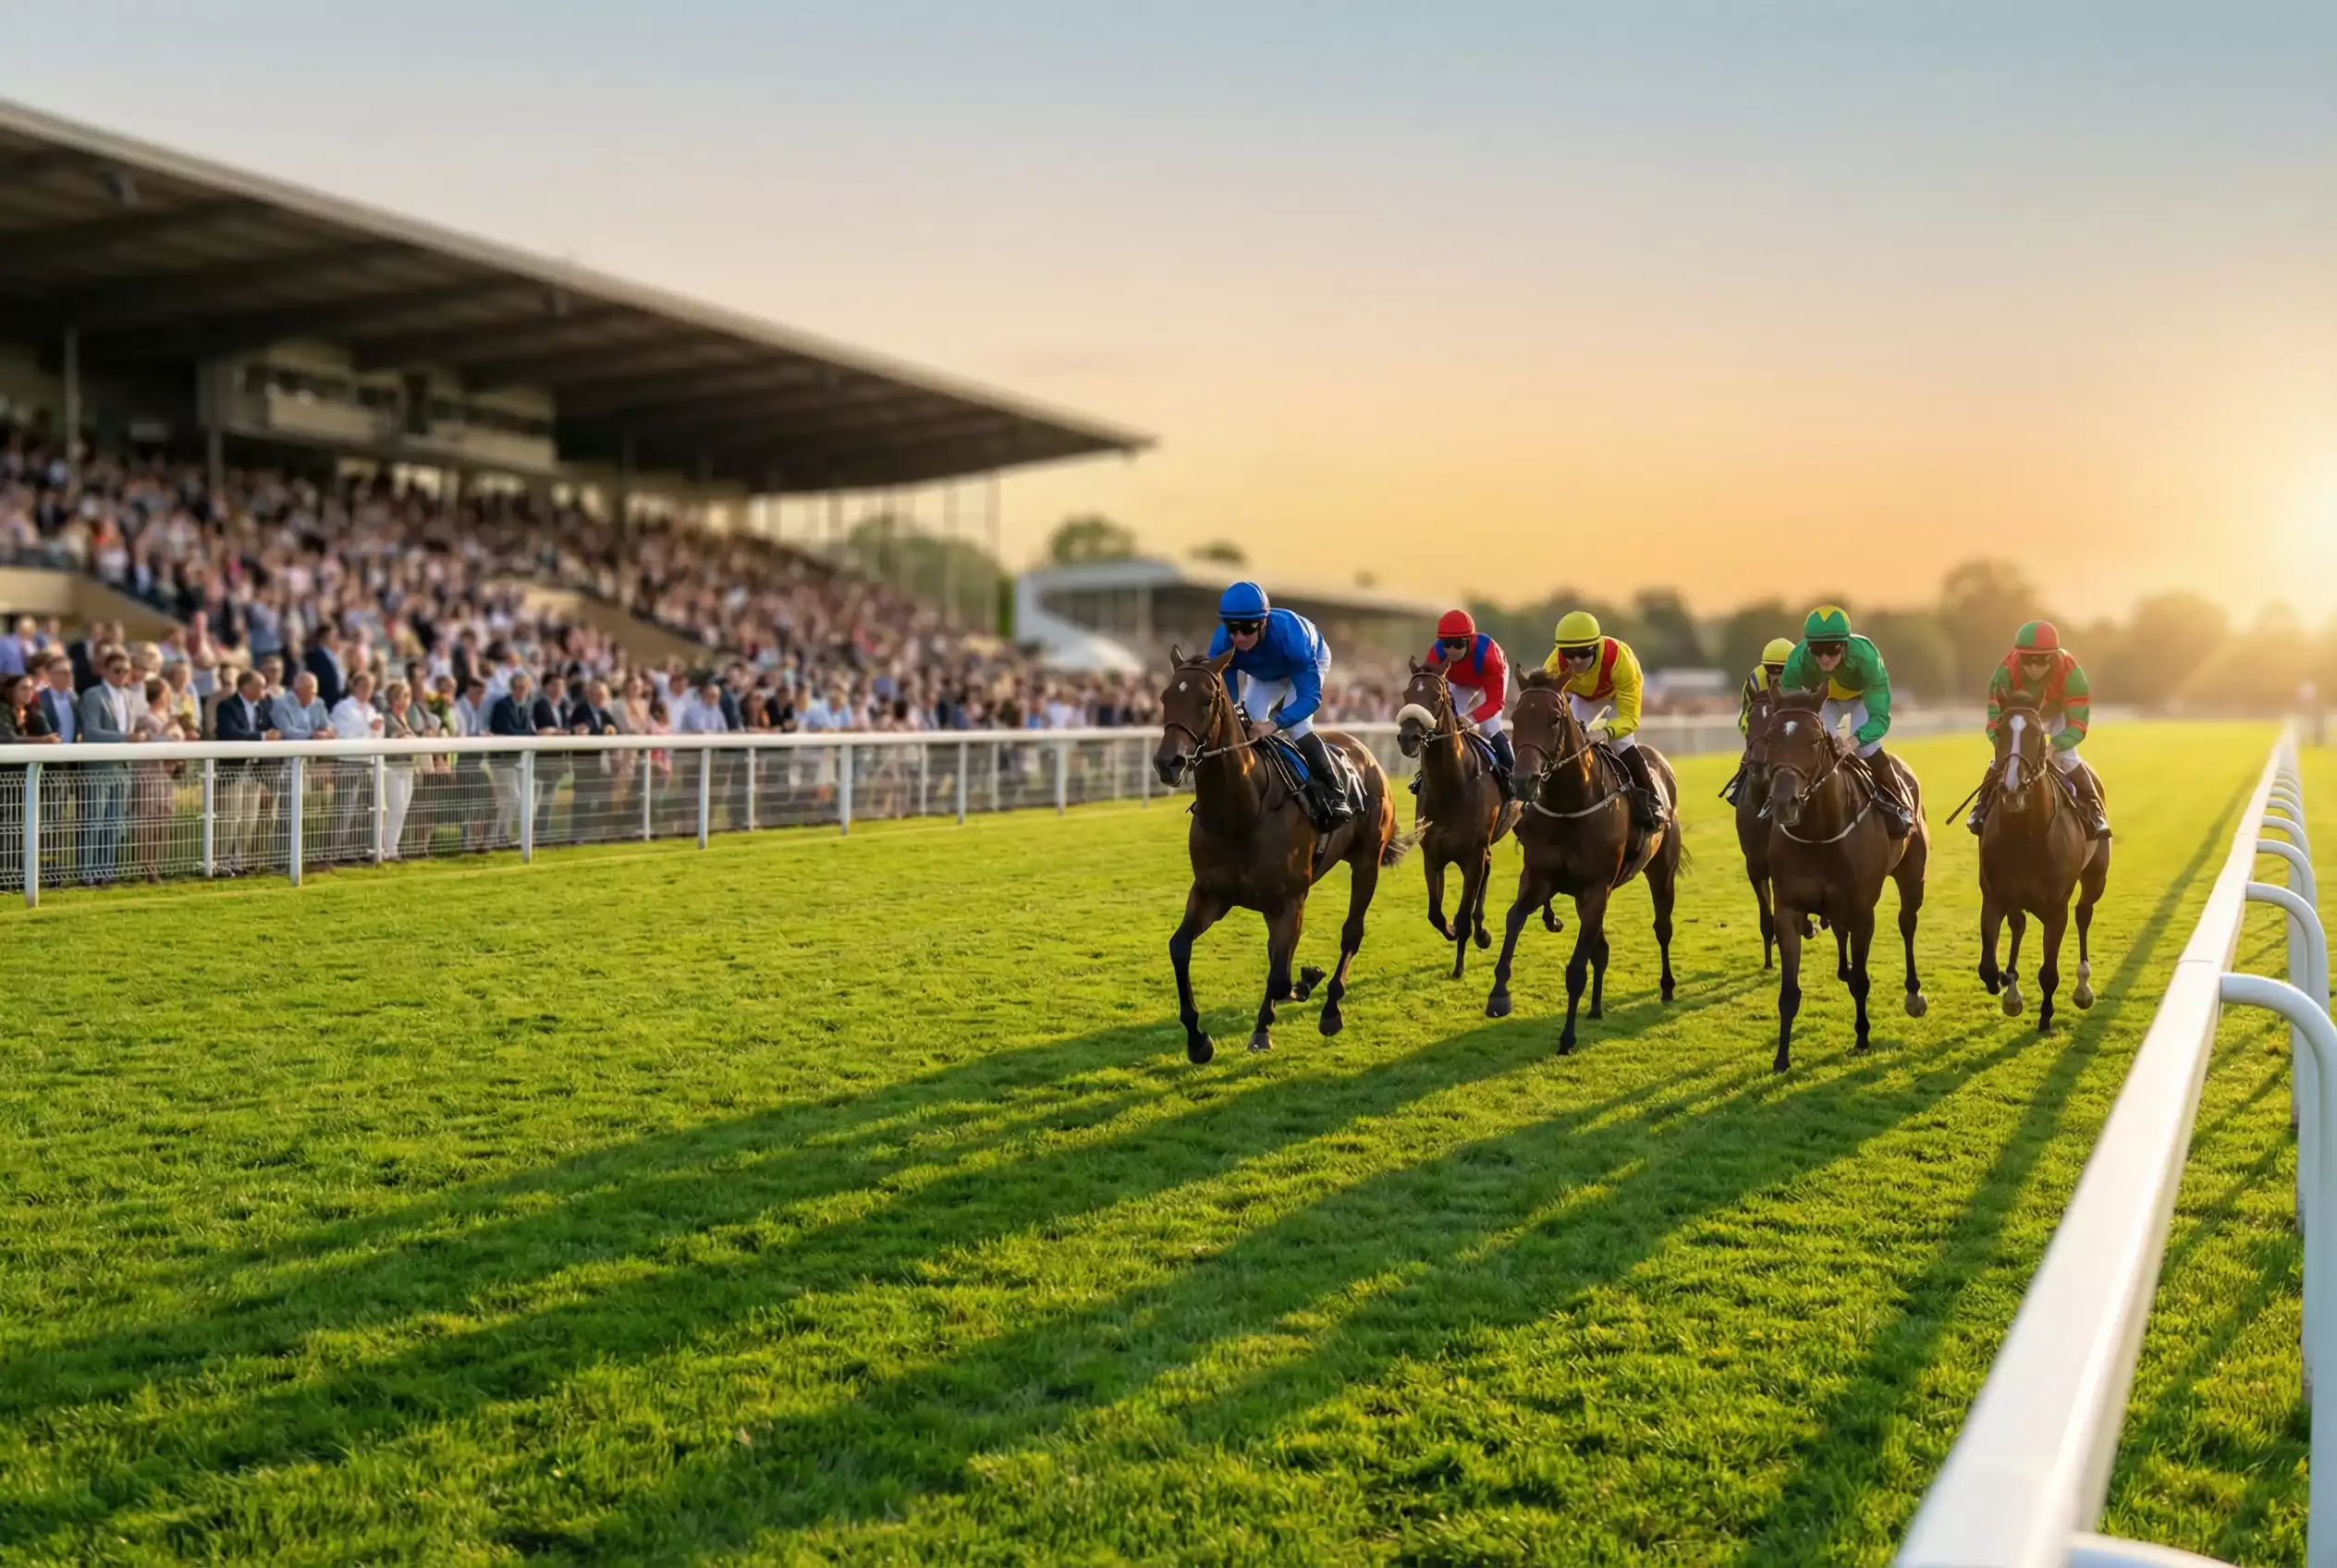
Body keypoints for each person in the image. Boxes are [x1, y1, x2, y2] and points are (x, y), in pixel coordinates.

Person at [1205, 582, 1352, 827]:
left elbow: (1310, 698)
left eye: (1247, 628)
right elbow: (1227, 687)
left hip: (1307, 660)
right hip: (1265, 674)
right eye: (1232, 628)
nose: (1239, 637)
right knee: (1246, 727)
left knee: (1297, 728)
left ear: (1263, 622)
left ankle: (1336, 793)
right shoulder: (1221, 643)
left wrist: (1275, 724)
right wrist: (1236, 709)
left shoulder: (1292, 638)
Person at [1779, 606, 1915, 838]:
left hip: (1861, 701)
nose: (1824, 658)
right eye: (1816, 650)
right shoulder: (1797, 660)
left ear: (1845, 644)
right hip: (1825, 701)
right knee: (1820, 745)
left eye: (1832, 649)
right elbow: (1790, 706)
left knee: (1865, 747)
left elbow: (1879, 719)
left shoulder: (1867, 657)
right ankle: (1786, 799)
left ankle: (1898, 802)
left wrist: (1854, 740)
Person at [1971, 619, 2109, 839]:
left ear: (2053, 657)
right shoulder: (2005, 672)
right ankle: (1980, 807)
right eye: (2027, 660)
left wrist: (2055, 746)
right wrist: (2004, 744)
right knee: (2002, 760)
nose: (2034, 668)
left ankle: (2095, 811)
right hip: (2020, 717)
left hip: (2058, 716)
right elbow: (1995, 719)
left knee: (2068, 757)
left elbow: (2078, 723)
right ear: (2018, 656)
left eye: (2042, 660)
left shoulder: (2072, 673)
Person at [1541, 610, 1665, 831]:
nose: (1576, 661)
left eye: (1583, 653)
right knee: (1565, 741)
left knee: (1622, 743)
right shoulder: (1554, 665)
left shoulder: (1620, 662)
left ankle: (1652, 802)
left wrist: (1605, 732)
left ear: (1595, 647)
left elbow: (1629, 719)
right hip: (1584, 697)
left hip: (1617, 694)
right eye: (1569, 654)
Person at [1418, 608, 1515, 801]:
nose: (1452, 650)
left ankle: (1511, 776)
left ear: (1470, 641)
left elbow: (1495, 702)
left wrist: (1471, 719)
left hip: (1487, 679)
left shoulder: (1489, 656)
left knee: (1489, 727)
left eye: (1458, 644)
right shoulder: (1436, 654)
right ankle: (1426, 775)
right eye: (1447, 644)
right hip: (1459, 683)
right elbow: (1430, 685)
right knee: (1444, 724)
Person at [1723, 637, 1796, 805]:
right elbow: (1745, 715)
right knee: (1754, 752)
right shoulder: (1754, 681)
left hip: (1793, 729)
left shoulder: (1804, 681)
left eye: (1782, 670)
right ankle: (1739, 786)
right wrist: (1754, 737)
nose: (1776, 676)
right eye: (1771, 669)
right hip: (1764, 729)